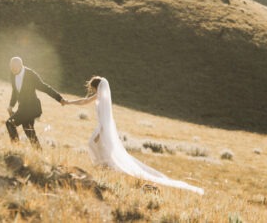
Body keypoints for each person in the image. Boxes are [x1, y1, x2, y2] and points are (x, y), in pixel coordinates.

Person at [67, 76, 204, 194]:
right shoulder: (100, 96)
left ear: (97, 87)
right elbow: (84, 101)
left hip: (102, 127)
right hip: (101, 127)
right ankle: (102, 168)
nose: (92, 91)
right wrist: (68, 102)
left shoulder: (103, 98)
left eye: (93, 88)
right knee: (97, 146)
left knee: (92, 144)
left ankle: (102, 167)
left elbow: (105, 117)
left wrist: (100, 133)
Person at [6, 56, 64, 147]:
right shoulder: (13, 74)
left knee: (10, 123)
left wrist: (59, 98)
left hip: (32, 108)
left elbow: (44, 87)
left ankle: (15, 148)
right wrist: (11, 105)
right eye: (11, 67)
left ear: (20, 65)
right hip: (23, 107)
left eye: (14, 68)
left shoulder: (30, 75)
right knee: (29, 131)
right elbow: (15, 91)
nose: (12, 70)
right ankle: (38, 152)